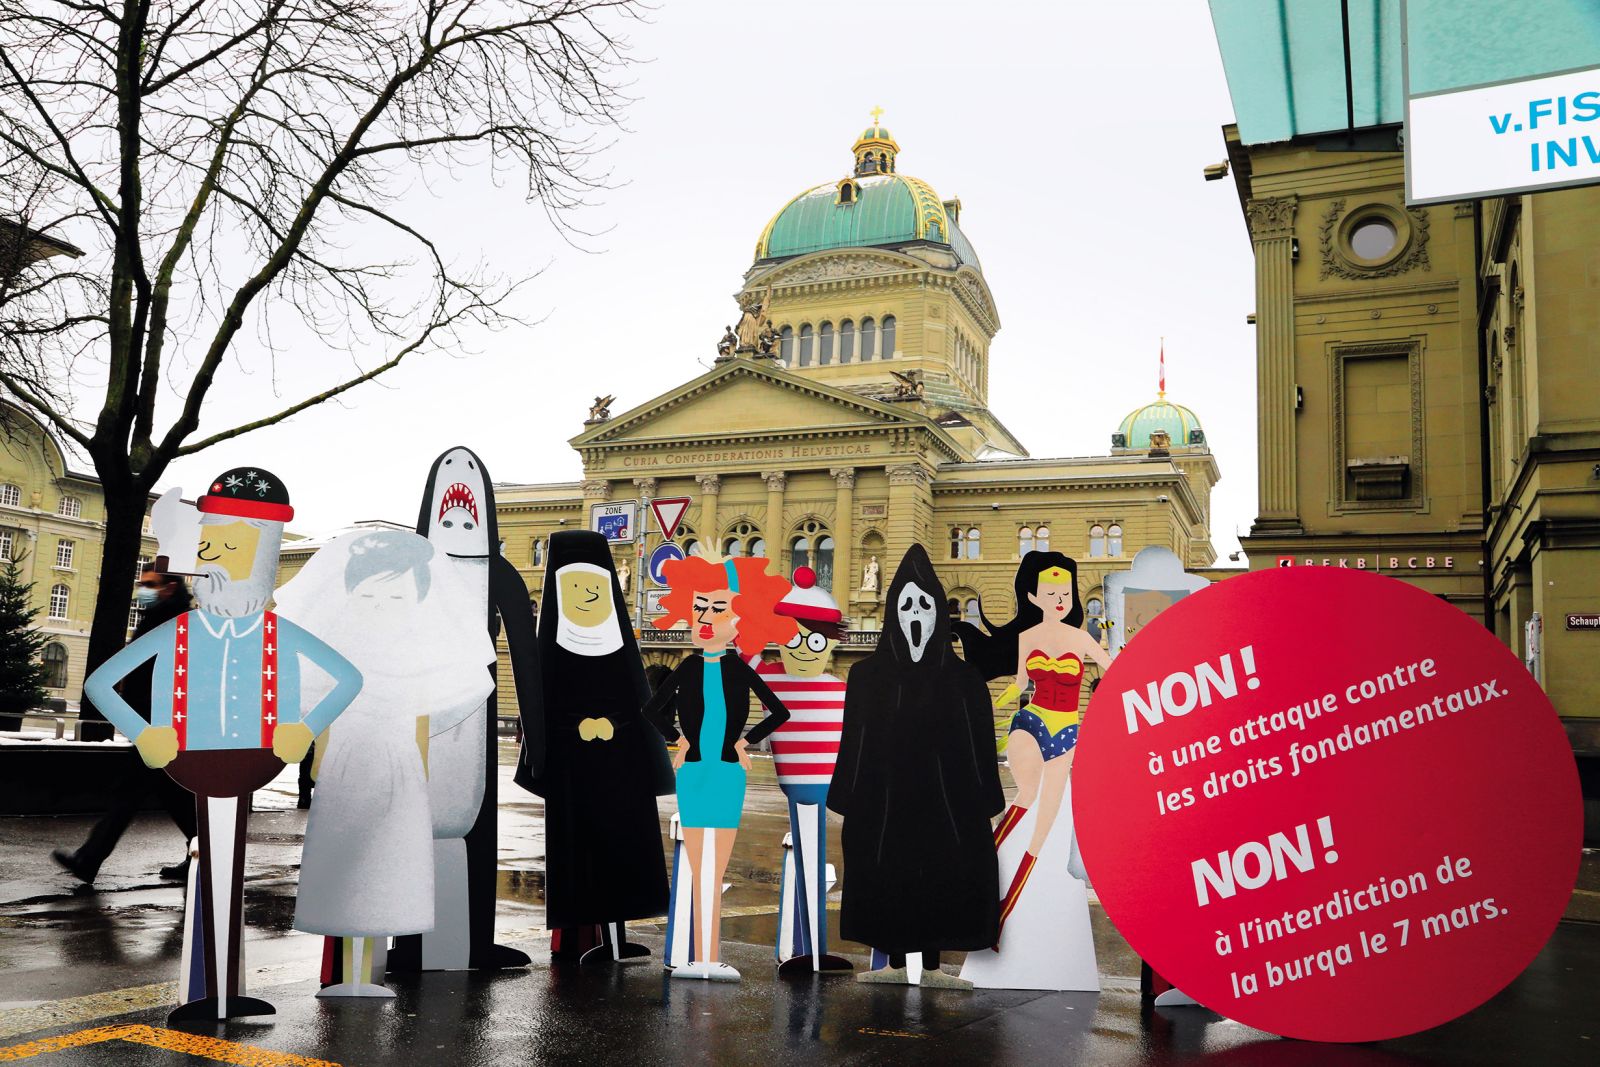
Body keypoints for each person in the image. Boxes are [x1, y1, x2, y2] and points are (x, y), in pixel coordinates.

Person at [82, 467, 362, 1022]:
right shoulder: (179, 629)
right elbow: (99, 684)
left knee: (227, 862)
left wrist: (303, 726)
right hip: (189, 757)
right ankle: (214, 991)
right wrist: (145, 732)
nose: (214, 562)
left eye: (230, 548)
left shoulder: (278, 633)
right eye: (208, 546)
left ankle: (223, 992)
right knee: (212, 858)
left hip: (252, 757)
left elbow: (346, 678)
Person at [275, 529, 495, 998]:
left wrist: (418, 766)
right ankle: (353, 971)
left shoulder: (416, 657)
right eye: (369, 592)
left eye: (395, 593)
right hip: (348, 765)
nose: (380, 602)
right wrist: (321, 758)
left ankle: (364, 971)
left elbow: (419, 719)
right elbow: (328, 709)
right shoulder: (338, 650)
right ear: (350, 594)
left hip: (397, 767)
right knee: (347, 860)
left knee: (384, 864)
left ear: (415, 596)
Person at [828, 544, 1002, 989]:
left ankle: (931, 966)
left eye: (923, 604)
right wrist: (844, 793)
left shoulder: (964, 679)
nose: (915, 613)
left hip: (946, 801)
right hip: (884, 800)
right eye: (906, 605)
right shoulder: (867, 676)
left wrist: (987, 798)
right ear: (893, 614)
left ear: (937, 613)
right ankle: (890, 963)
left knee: (941, 876)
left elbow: (981, 742)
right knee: (887, 874)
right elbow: (853, 740)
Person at [514, 531, 674, 964]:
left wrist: (643, 754)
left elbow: (638, 702)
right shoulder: (554, 649)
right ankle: (580, 940)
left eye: (594, 589)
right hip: (575, 773)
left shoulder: (618, 645)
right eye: (575, 588)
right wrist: (564, 738)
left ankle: (618, 940)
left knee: (622, 849)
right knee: (581, 855)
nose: (586, 596)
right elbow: (541, 706)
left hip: (620, 772)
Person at [643, 553, 794, 982]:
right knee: (694, 864)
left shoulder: (738, 668)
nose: (706, 617)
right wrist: (680, 739)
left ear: (738, 621)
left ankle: (710, 956)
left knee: (717, 866)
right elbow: (652, 709)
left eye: (718, 608)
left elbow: (778, 711)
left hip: (728, 771)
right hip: (693, 771)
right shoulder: (688, 666)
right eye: (700, 607)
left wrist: (742, 742)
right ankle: (699, 958)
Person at [954, 551, 1110, 942]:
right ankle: (974, 868)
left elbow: (1118, 669)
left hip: (1066, 733)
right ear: (1034, 598)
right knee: (1025, 795)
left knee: (1042, 831)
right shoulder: (1027, 637)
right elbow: (1021, 684)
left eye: (1066, 593)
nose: (1060, 600)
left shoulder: (1081, 639)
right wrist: (985, 701)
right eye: (1051, 592)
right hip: (1031, 721)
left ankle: (1001, 917)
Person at [51, 569, 198, 884]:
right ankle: (203, 856)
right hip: (152, 724)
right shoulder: (161, 616)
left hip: (160, 725)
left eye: (150, 585)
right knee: (172, 797)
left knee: (130, 795)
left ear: (170, 587)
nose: (143, 589)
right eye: (142, 583)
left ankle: (89, 859)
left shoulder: (176, 622)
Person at [753, 566, 852, 973]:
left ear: (829, 645)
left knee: (810, 853)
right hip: (796, 782)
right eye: (793, 638)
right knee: (808, 852)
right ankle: (811, 950)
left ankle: (807, 946)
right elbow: (742, 652)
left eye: (814, 640)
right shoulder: (773, 679)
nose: (804, 649)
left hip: (825, 781)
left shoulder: (840, 687)